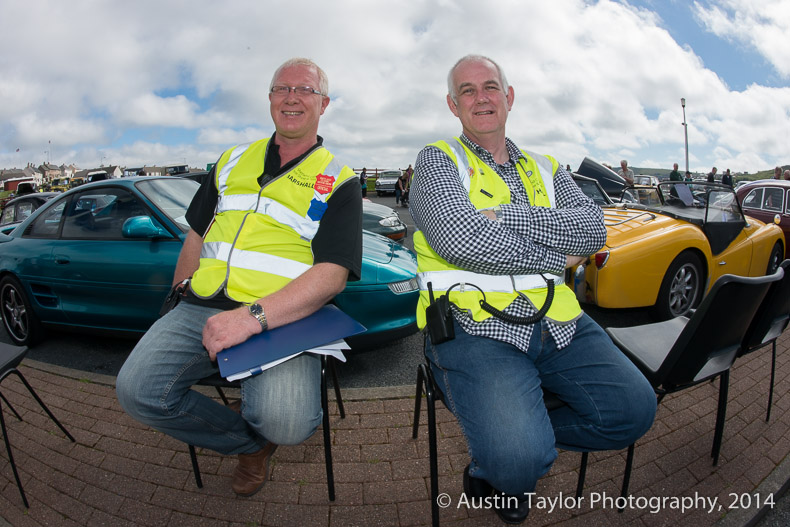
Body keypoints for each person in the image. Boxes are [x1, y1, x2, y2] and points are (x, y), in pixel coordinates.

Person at [408, 55, 656, 524]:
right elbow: (460, 239)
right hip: (473, 327)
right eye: (467, 90)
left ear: (509, 96)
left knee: (633, 412)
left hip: (561, 322)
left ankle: (517, 438)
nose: (481, 97)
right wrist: (553, 253)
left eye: (490, 86)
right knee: (519, 461)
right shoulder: (437, 159)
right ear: (452, 105)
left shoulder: (546, 166)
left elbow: (591, 232)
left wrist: (505, 217)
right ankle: (500, 464)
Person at [116, 58, 363, 498]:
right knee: (139, 392)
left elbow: (333, 274)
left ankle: (265, 430)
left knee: (288, 423)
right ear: (270, 99)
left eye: (305, 90)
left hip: (285, 316)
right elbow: (196, 232)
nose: (292, 97)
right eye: (281, 88)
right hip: (201, 307)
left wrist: (252, 317)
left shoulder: (339, 180)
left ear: (323, 104)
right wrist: (178, 292)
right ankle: (248, 445)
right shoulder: (231, 161)